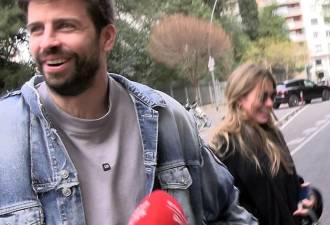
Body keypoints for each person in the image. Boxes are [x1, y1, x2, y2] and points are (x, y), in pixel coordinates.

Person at [0, 0, 258, 224]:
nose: (47, 42)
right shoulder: (5, 137)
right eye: (36, 29)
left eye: (66, 26)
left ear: (107, 37)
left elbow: (230, 213)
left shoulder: (168, 120)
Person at [210, 63, 322, 225]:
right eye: (263, 97)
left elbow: (292, 185)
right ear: (240, 98)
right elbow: (221, 213)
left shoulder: (273, 134)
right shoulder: (225, 146)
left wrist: (312, 198)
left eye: (272, 96)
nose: (270, 103)